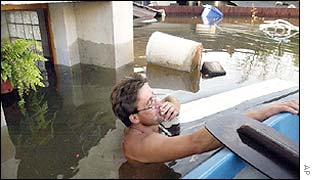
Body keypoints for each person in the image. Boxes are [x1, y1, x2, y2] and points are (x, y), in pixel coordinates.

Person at [110, 73, 299, 163]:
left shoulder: (141, 120)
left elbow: (170, 98)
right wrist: (264, 111)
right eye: (151, 102)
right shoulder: (144, 144)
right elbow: (197, 143)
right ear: (134, 118)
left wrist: (173, 104)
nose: (159, 104)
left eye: (155, 96)